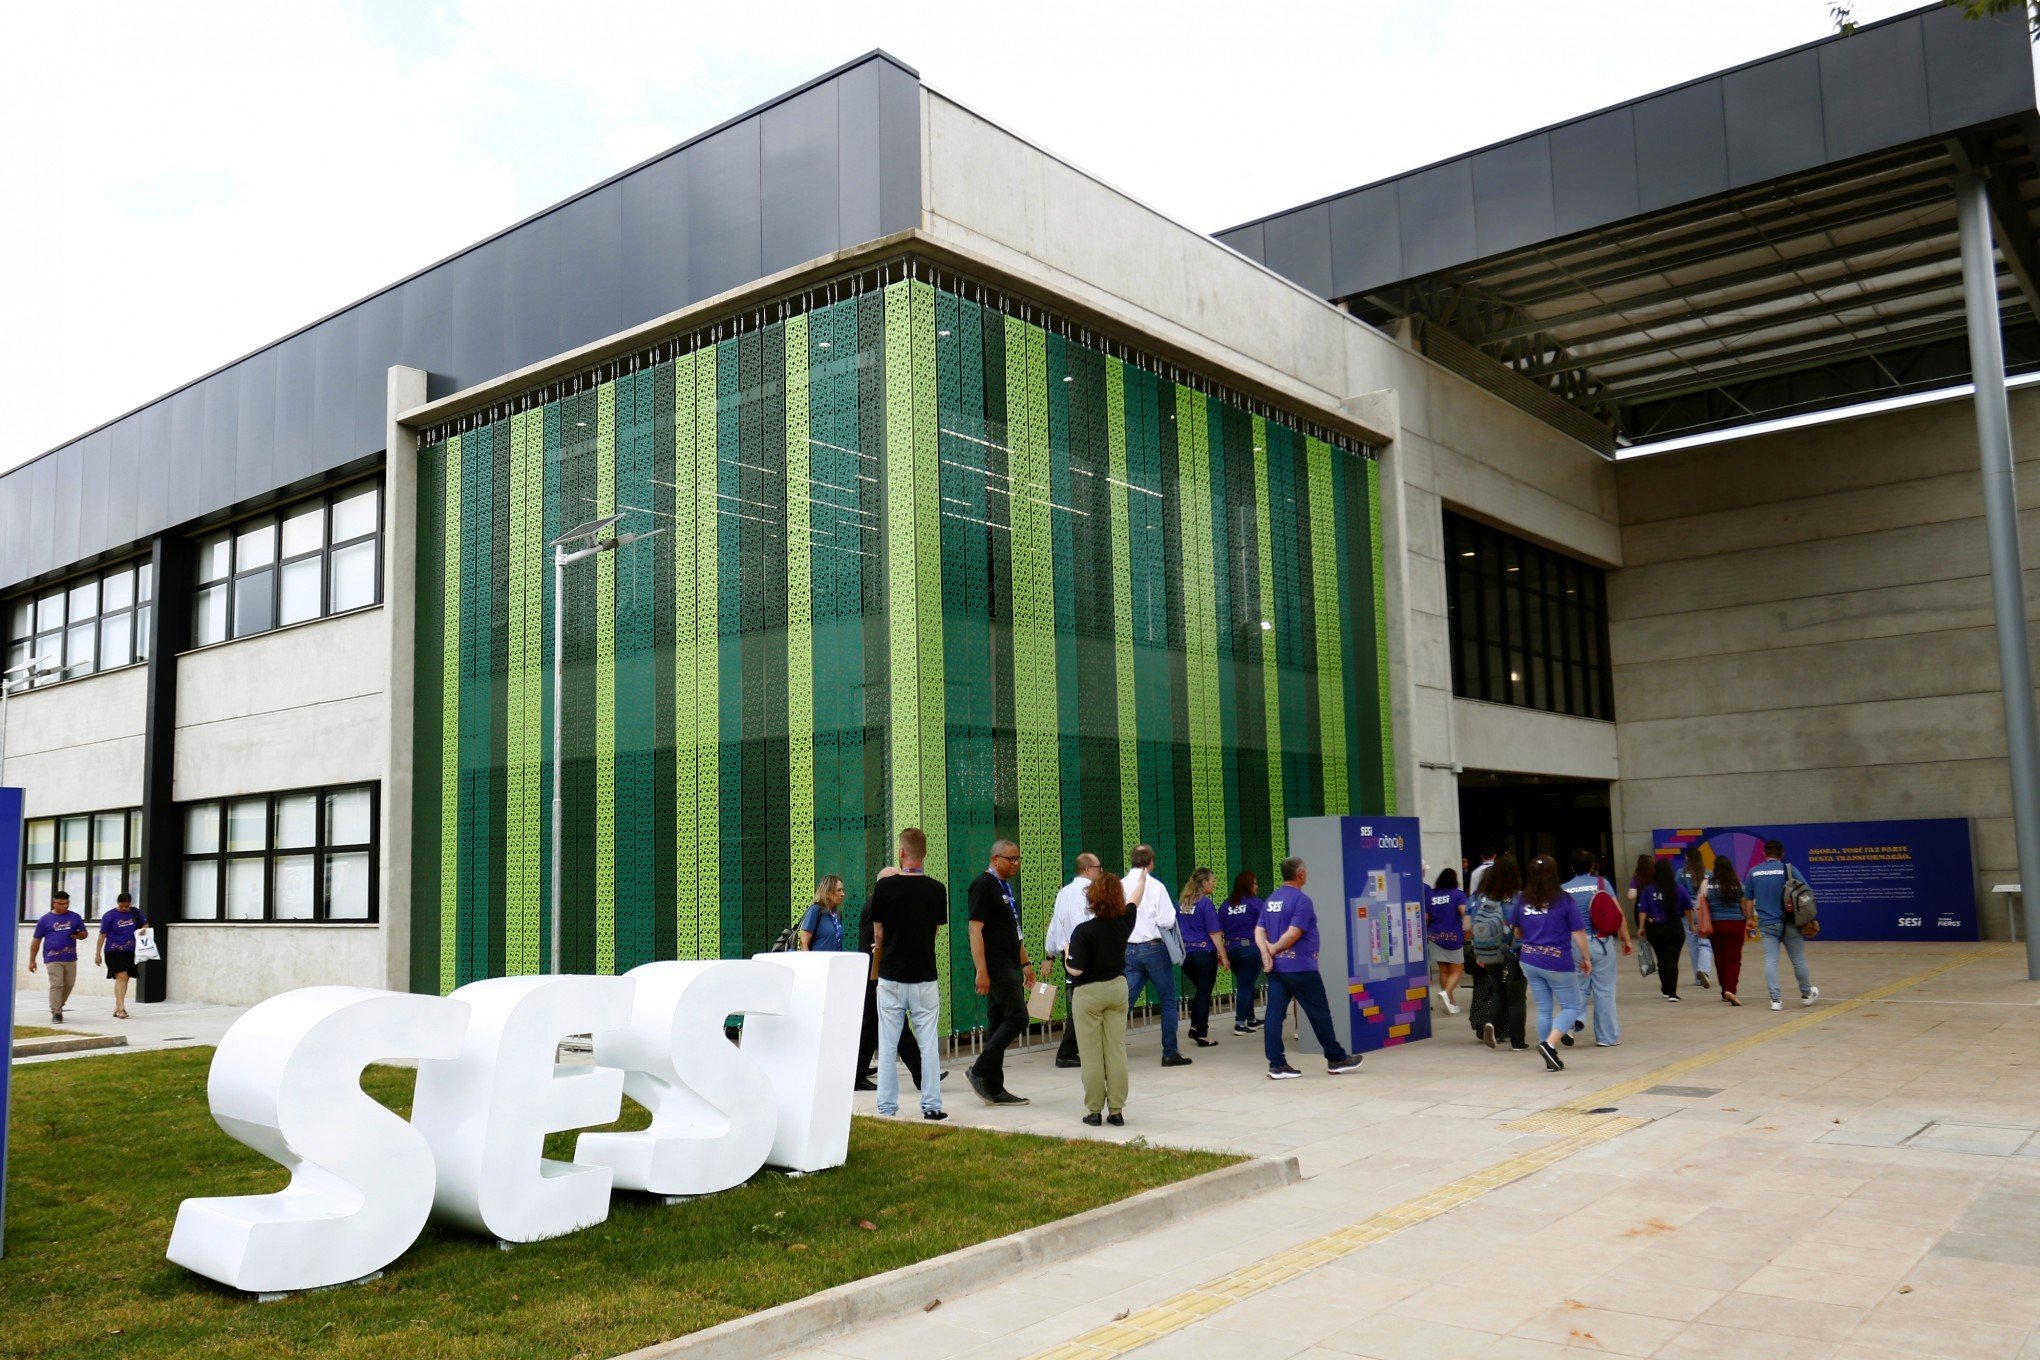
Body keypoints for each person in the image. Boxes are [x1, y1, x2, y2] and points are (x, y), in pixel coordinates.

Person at [1257, 857, 1365, 1079]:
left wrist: (1266, 953)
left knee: (1274, 1015)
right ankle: (1336, 1058)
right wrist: (1274, 949)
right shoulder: (1302, 900)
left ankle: (1276, 1064)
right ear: (1301, 874)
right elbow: (1293, 933)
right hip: (1300, 967)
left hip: (1278, 970)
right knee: (1319, 1013)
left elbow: (1259, 930)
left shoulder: (1271, 899)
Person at [866, 828, 948, 1121]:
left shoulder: (885, 888)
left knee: (887, 1045)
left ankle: (887, 1109)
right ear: (924, 853)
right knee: (928, 1045)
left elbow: (878, 934)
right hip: (925, 975)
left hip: (891, 975)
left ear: (901, 853)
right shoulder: (938, 890)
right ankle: (932, 1106)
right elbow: (934, 932)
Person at [966, 838, 1037, 1105]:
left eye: (1018, 858)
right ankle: (978, 1070)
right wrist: (981, 971)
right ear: (995, 859)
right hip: (996, 966)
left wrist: (1026, 963)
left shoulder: (1004, 886)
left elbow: (1013, 930)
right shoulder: (983, 885)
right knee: (1018, 1018)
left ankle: (994, 1087)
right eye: (1011, 858)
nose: (1016, 863)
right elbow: (975, 929)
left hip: (1010, 963)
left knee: (997, 1026)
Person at [1065, 869, 1136, 1126]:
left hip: (1088, 993)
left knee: (1091, 1053)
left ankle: (1094, 1110)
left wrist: (1066, 955)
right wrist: (1140, 877)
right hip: (1117, 988)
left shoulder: (1084, 931)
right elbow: (1133, 903)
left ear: (1091, 898)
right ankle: (1116, 1110)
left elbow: (1076, 969)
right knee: (1116, 1050)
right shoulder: (1125, 922)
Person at [1514, 855, 1591, 1072]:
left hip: (1529, 958)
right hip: (1556, 960)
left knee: (1543, 1009)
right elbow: (1578, 931)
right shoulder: (1563, 899)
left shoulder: (1523, 899)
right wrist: (1585, 958)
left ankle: (1549, 1055)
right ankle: (1549, 1045)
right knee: (1572, 1006)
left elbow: (1517, 931)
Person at [1121, 845, 1192, 1068]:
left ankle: (1108, 1049)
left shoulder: (1120, 885)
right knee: (1168, 1001)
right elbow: (1167, 920)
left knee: (1124, 1003)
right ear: (1150, 862)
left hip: (1128, 949)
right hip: (1154, 949)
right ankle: (1170, 1053)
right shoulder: (1156, 886)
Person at [1562, 850, 1631, 1047]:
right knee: (1605, 990)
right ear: (1593, 866)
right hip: (1601, 942)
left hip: (1574, 943)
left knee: (1578, 988)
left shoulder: (1564, 889)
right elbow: (1617, 913)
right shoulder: (1602, 884)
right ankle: (1606, 1037)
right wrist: (1626, 939)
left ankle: (1569, 1023)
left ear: (1572, 867)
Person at [1045, 853, 1105, 1068]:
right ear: (1087, 869)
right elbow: (1086, 927)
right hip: (1085, 954)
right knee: (1085, 1003)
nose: (1101, 872)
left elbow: (1054, 925)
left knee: (1081, 1001)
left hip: (1067, 954)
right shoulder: (1088, 893)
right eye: (1099, 867)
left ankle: (1075, 1048)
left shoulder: (1063, 893)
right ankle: (1067, 1050)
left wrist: (1050, 954)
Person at [1746, 839, 1819, 1011]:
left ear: (1764, 854)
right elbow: (1806, 892)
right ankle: (1807, 994)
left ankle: (1776, 1000)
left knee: (1770, 961)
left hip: (1766, 924)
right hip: (1791, 923)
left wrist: (1749, 919)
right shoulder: (1789, 869)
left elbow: (1748, 899)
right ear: (1782, 854)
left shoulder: (1754, 872)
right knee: (1798, 959)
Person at [1466, 853, 1529, 1051]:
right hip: (1512, 951)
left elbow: (1468, 926)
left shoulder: (1477, 897)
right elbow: (1523, 927)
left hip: (1487, 951)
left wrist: (1478, 949)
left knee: (1499, 991)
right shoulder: (1517, 897)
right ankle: (1518, 1042)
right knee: (1517, 995)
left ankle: (1491, 1023)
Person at [1175, 868, 1228, 1048]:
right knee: (1204, 992)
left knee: (1200, 991)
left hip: (1186, 956)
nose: (1214, 884)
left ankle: (1194, 1027)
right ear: (1204, 883)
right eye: (1212, 881)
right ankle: (1202, 1034)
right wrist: (1224, 956)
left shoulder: (1182, 904)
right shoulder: (1205, 904)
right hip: (1204, 954)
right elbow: (1214, 933)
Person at [27, 887, 89, 1024]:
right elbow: (36, 940)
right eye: (62, 903)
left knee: (69, 984)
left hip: (70, 957)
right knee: (57, 984)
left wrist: (79, 935)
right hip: (52, 957)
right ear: (54, 903)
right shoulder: (45, 920)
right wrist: (32, 960)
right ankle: (56, 1012)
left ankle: (59, 1005)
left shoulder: (75, 917)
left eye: (67, 903)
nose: (65, 906)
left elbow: (84, 934)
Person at [1637, 859, 1693, 1001]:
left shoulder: (1648, 890)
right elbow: (1687, 908)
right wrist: (1692, 925)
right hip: (1675, 928)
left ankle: (1665, 989)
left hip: (1655, 929)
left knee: (1661, 959)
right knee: (1672, 960)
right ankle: (1672, 993)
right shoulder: (1678, 888)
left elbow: (1643, 910)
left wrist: (1642, 927)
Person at [1219, 871, 1265, 1034]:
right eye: (1254, 883)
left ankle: (1251, 1019)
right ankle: (1239, 1023)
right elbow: (1267, 925)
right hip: (1250, 949)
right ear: (1248, 886)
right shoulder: (1256, 903)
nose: (1257, 886)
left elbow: (1219, 930)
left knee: (1247, 983)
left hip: (1231, 949)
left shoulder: (1226, 905)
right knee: (1245, 986)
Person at [1698, 856, 1748, 1006]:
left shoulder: (1707, 883)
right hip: (1735, 924)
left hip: (1715, 925)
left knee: (1720, 958)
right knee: (1733, 959)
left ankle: (1724, 991)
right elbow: (1744, 904)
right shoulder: (1737, 884)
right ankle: (1730, 990)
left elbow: (1699, 905)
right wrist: (1749, 919)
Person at [95, 891, 148, 1019]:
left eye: (126, 906)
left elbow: (145, 924)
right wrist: (98, 953)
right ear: (117, 904)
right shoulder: (109, 916)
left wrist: (144, 929)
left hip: (130, 950)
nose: (124, 909)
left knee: (125, 979)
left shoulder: (135, 912)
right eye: (121, 906)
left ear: (130, 904)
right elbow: (102, 935)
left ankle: (117, 1006)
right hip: (113, 950)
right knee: (121, 977)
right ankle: (121, 1009)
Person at [1424, 869, 1468, 1015]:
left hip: (1435, 936)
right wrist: (1468, 928)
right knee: (1457, 970)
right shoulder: (1457, 894)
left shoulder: (1431, 894)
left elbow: (1426, 917)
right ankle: (1446, 993)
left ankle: (1450, 1002)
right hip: (1453, 936)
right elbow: (1463, 911)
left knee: (1444, 970)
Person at [1681, 845, 1715, 991]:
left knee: (1692, 944)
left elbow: (1679, 893)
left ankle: (1697, 977)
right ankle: (1704, 970)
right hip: (1703, 909)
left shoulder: (1681, 873)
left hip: (1687, 910)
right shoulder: (1708, 873)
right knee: (1705, 942)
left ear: (1687, 858)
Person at [1626, 852, 1658, 977]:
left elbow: (1631, 895)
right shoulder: (1656, 876)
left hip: (1640, 908)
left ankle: (1650, 962)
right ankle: (1660, 959)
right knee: (1656, 935)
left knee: (1644, 936)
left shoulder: (1636, 878)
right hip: (1655, 907)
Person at [797, 875, 846, 952]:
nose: (843, 894)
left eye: (842, 890)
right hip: (817, 963)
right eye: (839, 890)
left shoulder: (837, 915)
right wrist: (808, 963)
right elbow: (804, 943)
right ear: (827, 893)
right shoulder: (815, 910)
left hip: (834, 962)